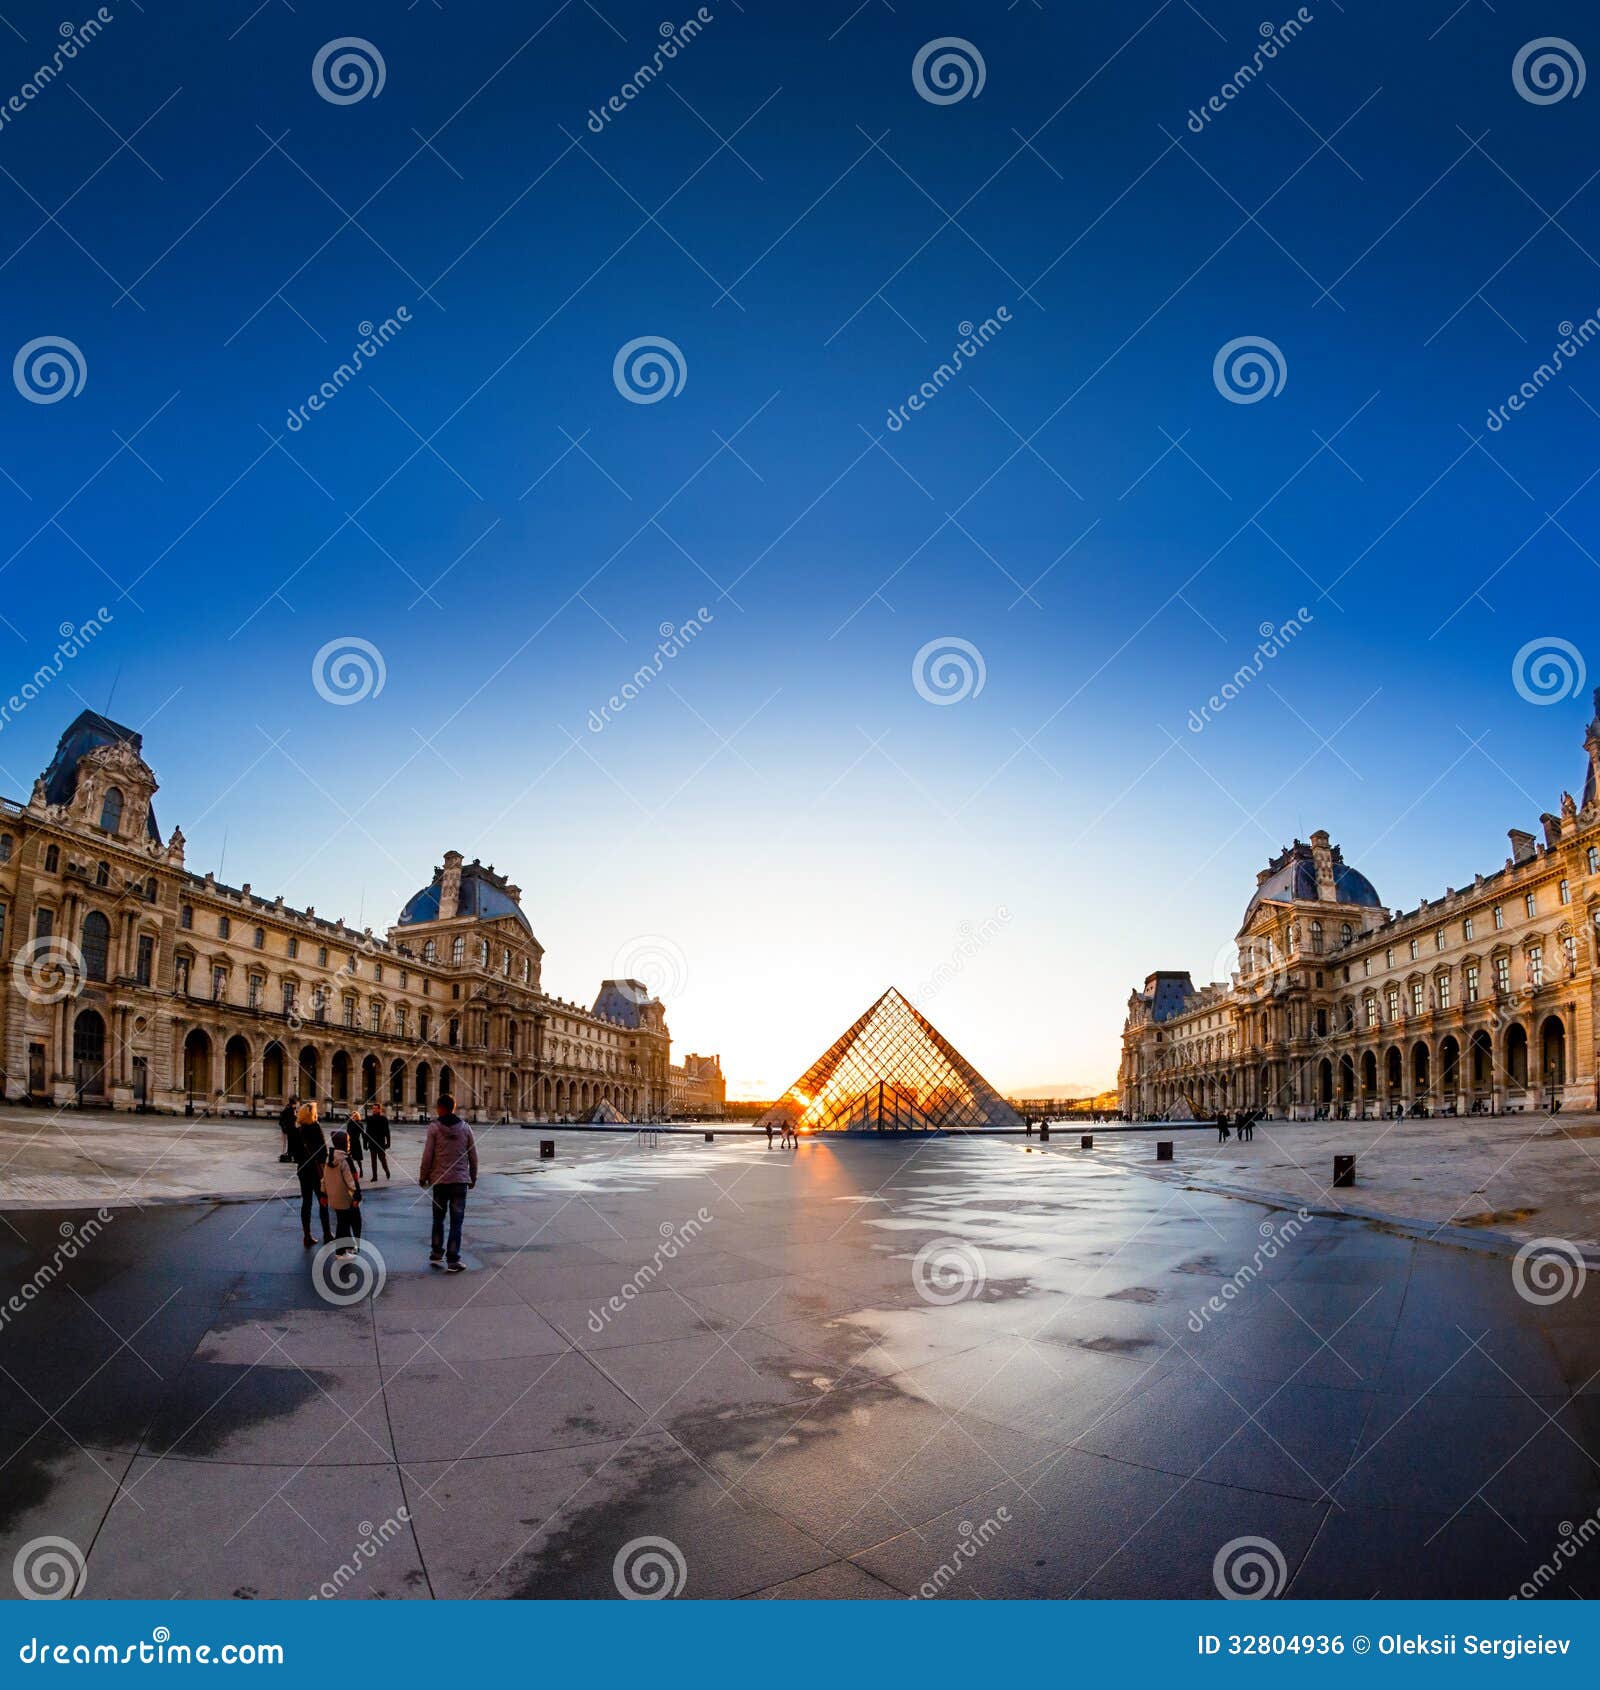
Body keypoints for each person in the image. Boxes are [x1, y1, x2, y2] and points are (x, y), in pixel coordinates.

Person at [419, 1092, 477, 1272]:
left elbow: (428, 1155)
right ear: (453, 1107)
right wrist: (472, 1177)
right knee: (456, 1222)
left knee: (438, 1218)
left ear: (439, 1108)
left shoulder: (434, 1128)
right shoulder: (466, 1128)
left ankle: (437, 1252)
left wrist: (423, 1176)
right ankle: (453, 1259)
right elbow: (473, 1156)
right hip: (459, 1182)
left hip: (440, 1181)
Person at [287, 1101, 331, 1248]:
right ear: (312, 1114)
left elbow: (292, 1152)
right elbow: (323, 1151)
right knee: (323, 1201)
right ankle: (327, 1233)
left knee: (306, 1203)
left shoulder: (296, 1131)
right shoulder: (316, 1127)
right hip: (316, 1170)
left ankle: (307, 1235)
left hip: (302, 1170)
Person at [323, 1128, 363, 1254]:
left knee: (342, 1221)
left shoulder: (329, 1159)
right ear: (343, 1144)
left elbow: (324, 1179)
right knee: (344, 1224)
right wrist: (357, 1196)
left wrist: (323, 1194)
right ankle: (340, 1251)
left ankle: (347, 1246)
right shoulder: (345, 1160)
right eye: (348, 1141)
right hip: (345, 1197)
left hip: (334, 1198)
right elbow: (351, 1181)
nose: (349, 1143)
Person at [365, 1102, 392, 1181]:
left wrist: (388, 1142)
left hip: (380, 1142)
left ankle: (386, 1170)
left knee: (382, 1159)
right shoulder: (369, 1119)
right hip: (372, 1143)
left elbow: (387, 1132)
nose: (374, 1110)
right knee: (373, 1161)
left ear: (379, 1109)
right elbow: (367, 1131)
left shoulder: (383, 1119)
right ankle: (374, 1176)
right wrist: (365, 1143)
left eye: (376, 1108)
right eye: (373, 1108)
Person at [345, 1111, 365, 1179]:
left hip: (356, 1142)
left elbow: (363, 1134)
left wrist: (365, 1143)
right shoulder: (349, 1123)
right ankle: (352, 1172)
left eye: (355, 1116)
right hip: (350, 1142)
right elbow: (347, 1133)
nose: (353, 1117)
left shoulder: (360, 1124)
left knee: (358, 1159)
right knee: (349, 1158)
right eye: (352, 1116)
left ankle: (361, 1170)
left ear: (357, 1117)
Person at [277, 1095, 297, 1163]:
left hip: (289, 1129)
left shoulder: (289, 1108)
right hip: (288, 1129)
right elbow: (283, 1121)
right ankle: (286, 1155)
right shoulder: (289, 1109)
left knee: (289, 1143)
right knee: (287, 1143)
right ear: (294, 1103)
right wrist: (284, 1129)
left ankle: (288, 1155)